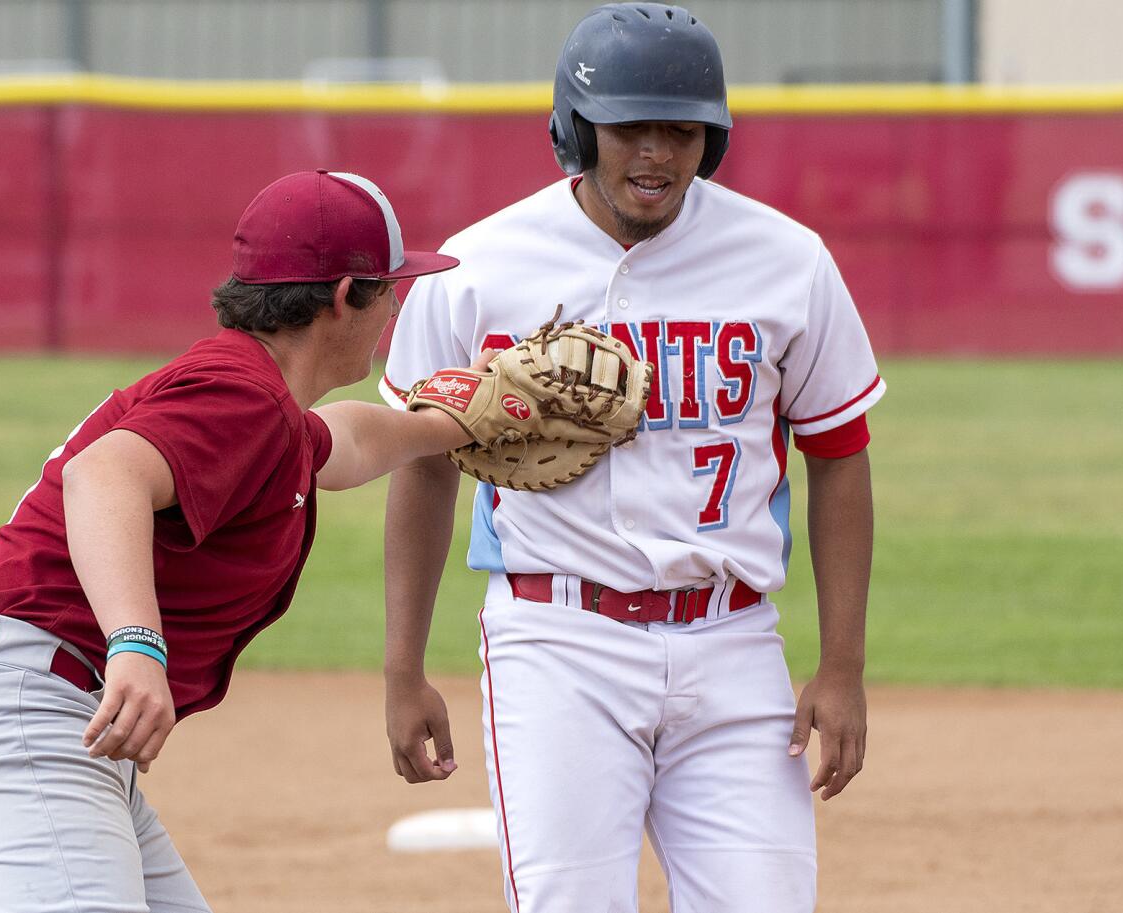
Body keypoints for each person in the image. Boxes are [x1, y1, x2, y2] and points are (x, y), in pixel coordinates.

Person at [0, 169, 508, 913]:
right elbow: (103, 476)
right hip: (7, 719)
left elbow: (346, 442)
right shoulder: (242, 397)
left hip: (30, 714)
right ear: (341, 297)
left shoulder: (258, 402)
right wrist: (137, 644)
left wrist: (454, 420)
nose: (395, 306)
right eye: (389, 287)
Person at [379, 5, 884, 912]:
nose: (656, 153)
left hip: (733, 641)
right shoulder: (481, 266)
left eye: (680, 130)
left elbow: (839, 452)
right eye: (629, 129)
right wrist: (402, 664)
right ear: (577, 132)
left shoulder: (786, 260)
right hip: (556, 640)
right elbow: (421, 465)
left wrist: (841, 664)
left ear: (712, 139)